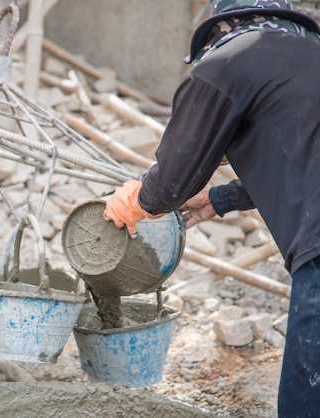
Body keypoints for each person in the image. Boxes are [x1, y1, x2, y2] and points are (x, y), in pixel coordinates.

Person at [102, 0, 320, 416]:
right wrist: (217, 199)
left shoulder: (224, 63)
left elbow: (171, 180)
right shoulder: (307, 62)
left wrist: (136, 201)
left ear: (220, 30)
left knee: (307, 400)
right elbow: (296, 161)